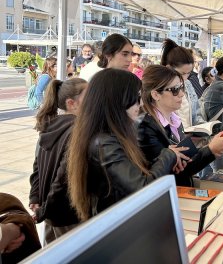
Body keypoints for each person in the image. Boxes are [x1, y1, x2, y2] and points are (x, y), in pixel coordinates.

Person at [67, 69, 177, 221]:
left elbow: (134, 173)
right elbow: (143, 187)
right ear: (119, 100)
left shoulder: (112, 135)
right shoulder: (104, 143)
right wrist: (169, 154)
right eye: (137, 98)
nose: (140, 104)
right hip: (116, 223)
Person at [138, 65, 223, 186]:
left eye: (182, 87)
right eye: (175, 89)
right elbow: (171, 173)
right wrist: (210, 151)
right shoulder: (146, 128)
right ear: (156, 95)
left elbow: (184, 163)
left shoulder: (174, 119)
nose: (181, 94)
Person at [29, 78, 87, 243]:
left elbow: (37, 167)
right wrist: (44, 209)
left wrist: (35, 197)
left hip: (51, 214)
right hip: (68, 215)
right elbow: (63, 178)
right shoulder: (77, 132)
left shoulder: (49, 126)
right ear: (71, 103)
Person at [161, 39, 203, 127]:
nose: (185, 78)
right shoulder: (160, 89)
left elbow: (196, 113)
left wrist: (202, 128)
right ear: (169, 68)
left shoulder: (188, 84)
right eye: (182, 73)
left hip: (189, 136)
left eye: (189, 73)